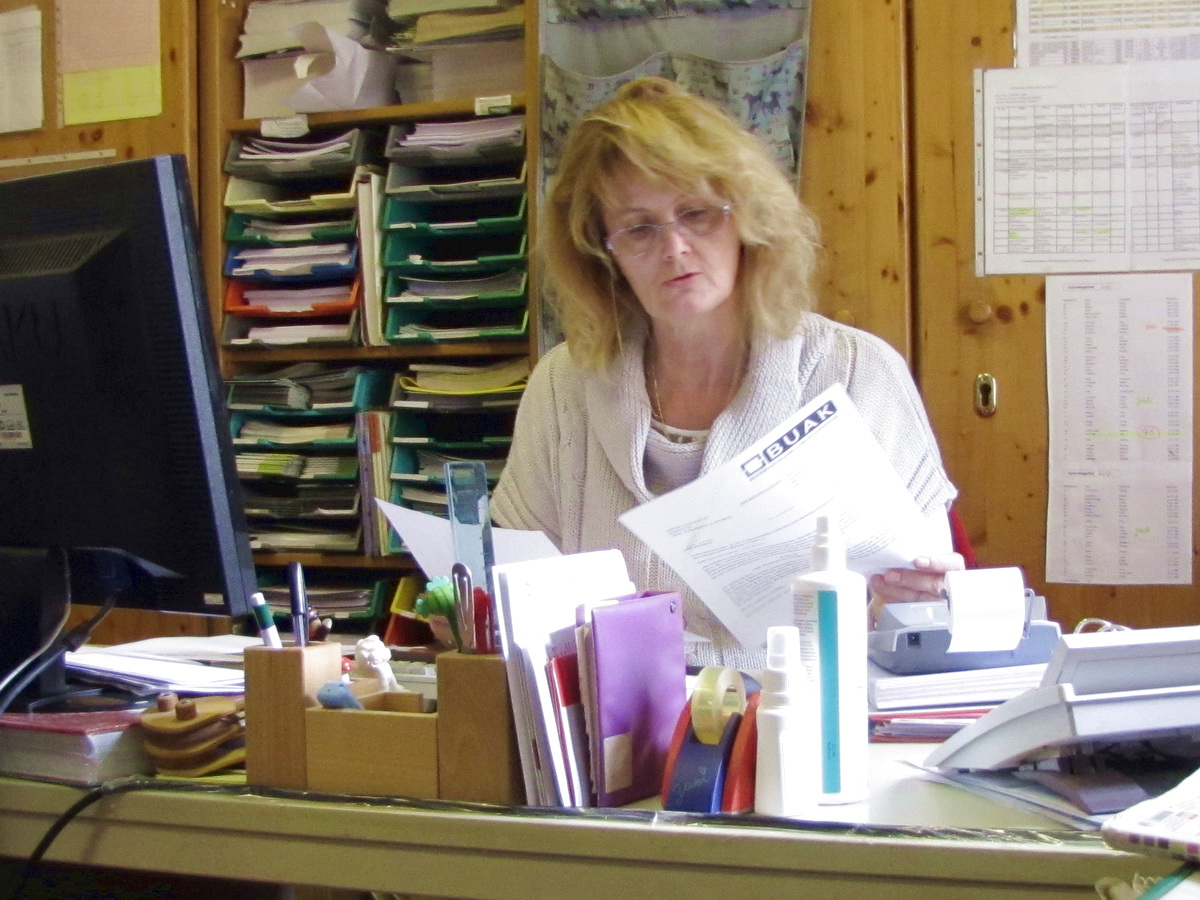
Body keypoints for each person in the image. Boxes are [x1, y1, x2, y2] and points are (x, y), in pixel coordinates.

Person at [491, 76, 962, 669]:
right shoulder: (564, 384)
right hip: (618, 711)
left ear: (748, 218)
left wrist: (907, 602)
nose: (675, 248)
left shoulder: (855, 371)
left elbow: (926, 613)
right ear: (601, 249)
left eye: (696, 214)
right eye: (639, 228)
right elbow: (520, 588)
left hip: (807, 704)